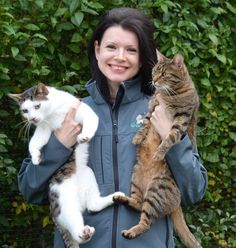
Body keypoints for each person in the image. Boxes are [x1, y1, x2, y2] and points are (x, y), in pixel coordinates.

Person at [18, 7, 208, 248]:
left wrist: (173, 140)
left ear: (142, 59)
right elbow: (30, 190)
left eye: (131, 50)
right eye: (111, 47)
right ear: (97, 50)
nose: (120, 57)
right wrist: (58, 146)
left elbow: (194, 191)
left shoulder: (164, 110)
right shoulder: (69, 113)